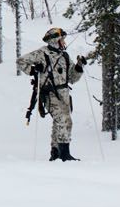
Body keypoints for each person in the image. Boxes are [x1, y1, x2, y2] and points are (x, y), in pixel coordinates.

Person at [16, 27, 86, 161]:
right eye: (62, 40)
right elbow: (21, 62)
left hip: (64, 94)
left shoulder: (64, 56)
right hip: (49, 93)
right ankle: (65, 154)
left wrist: (79, 67)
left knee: (59, 122)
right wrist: (33, 70)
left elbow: (72, 78)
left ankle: (56, 153)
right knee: (63, 120)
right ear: (55, 40)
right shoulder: (42, 53)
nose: (64, 43)